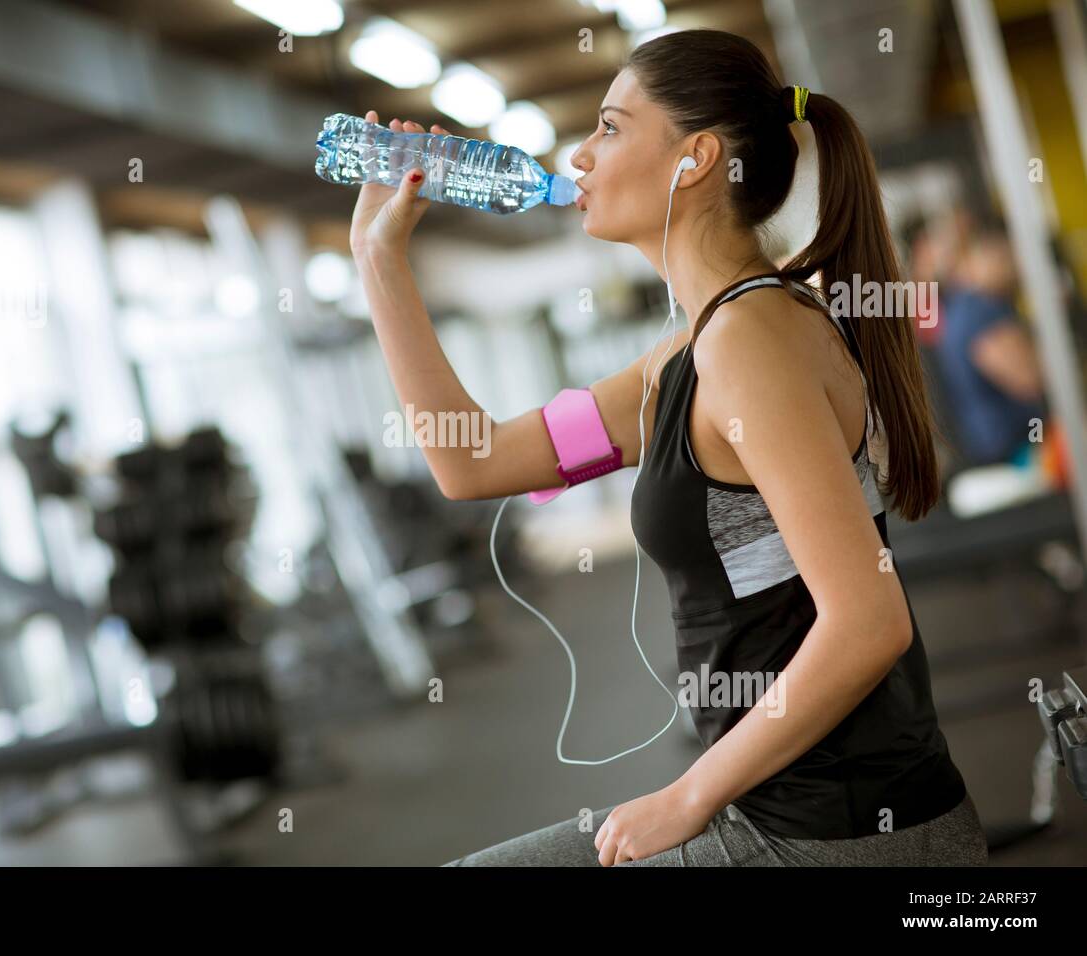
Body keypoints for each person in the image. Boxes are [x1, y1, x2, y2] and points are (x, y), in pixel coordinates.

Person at [349, 29, 987, 866]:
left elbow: (869, 624)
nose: (579, 156)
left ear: (695, 159)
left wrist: (686, 797)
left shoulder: (750, 341)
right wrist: (379, 258)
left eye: (610, 128)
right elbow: (473, 461)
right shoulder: (681, 361)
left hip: (837, 833)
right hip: (780, 811)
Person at [934, 226, 1048, 468]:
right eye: (1007, 256)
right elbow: (1028, 379)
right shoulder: (979, 309)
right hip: (1015, 452)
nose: (1016, 266)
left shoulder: (962, 307)